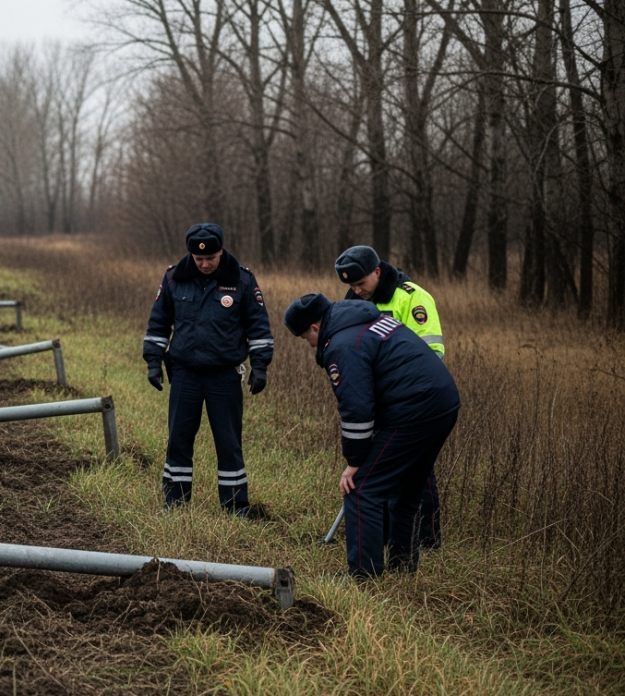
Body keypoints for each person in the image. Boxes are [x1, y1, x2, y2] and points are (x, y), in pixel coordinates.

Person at [283, 293, 460, 577]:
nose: (309, 343)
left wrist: (354, 462)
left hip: (414, 410)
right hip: (444, 402)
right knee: (408, 488)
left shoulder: (341, 345)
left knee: (361, 488)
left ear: (315, 327)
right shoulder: (368, 319)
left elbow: (356, 408)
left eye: (305, 337)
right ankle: (403, 568)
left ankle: (365, 577)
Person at [143, 223, 274, 514]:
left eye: (210, 258)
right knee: (178, 440)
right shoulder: (174, 278)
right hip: (185, 374)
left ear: (220, 252)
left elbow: (258, 325)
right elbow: (159, 322)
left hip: (224, 376)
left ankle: (235, 506)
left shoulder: (242, 280)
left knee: (229, 443)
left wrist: (260, 365)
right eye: (198, 258)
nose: (204, 263)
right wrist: (153, 360)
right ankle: (174, 503)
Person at [335, 245, 445, 547]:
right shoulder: (354, 299)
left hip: (412, 402)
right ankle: (381, 533)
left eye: (361, 283)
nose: (357, 291)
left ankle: (427, 538)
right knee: (377, 470)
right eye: (351, 286)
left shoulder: (413, 297)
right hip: (375, 401)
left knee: (416, 470)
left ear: (377, 272)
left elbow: (432, 353)